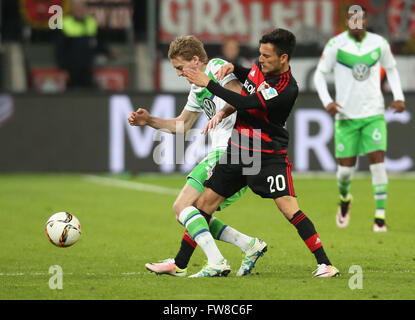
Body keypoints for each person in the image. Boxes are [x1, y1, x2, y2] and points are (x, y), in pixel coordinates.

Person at [183, 28, 340, 278]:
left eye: (267, 56)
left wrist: (209, 83)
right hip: (239, 150)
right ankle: (181, 264)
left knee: (289, 209)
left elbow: (248, 102)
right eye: (260, 54)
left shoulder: (287, 89)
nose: (261, 59)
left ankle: (325, 263)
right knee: (203, 204)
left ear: (284, 58)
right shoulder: (261, 66)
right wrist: (233, 68)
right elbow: (250, 77)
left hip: (267, 155)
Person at [128, 35, 267, 277]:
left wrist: (222, 112)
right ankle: (248, 245)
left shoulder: (214, 67)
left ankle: (216, 261)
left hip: (234, 149)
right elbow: (182, 125)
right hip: (233, 152)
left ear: (195, 60)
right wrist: (149, 120)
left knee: (182, 206)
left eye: (180, 67)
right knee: (198, 211)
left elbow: (239, 96)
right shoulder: (196, 89)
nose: (179, 74)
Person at [313, 6, 405, 232]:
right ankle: (345, 198)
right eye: (352, 18)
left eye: (360, 18)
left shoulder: (379, 43)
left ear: (365, 20)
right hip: (346, 116)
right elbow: (319, 74)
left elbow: (391, 69)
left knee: (378, 164)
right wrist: (327, 101)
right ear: (347, 21)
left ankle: (380, 217)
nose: (357, 22)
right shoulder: (336, 45)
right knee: (345, 172)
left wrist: (399, 96)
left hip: (373, 113)